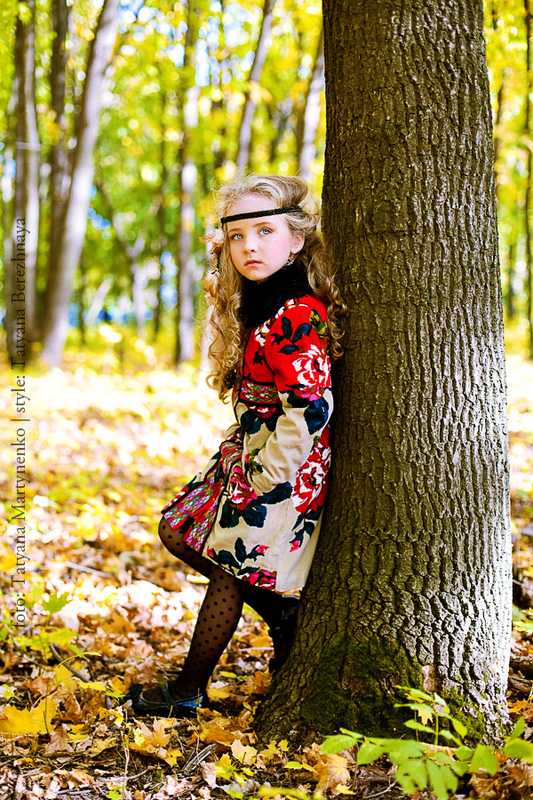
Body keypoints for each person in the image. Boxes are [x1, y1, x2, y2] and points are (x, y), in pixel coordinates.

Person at [128, 174, 346, 717]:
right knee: (178, 529)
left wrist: (268, 475)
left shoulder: (296, 313)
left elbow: (311, 408)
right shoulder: (262, 302)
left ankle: (186, 691)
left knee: (229, 568)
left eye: (265, 231)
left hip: (282, 469)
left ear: (296, 239)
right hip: (248, 453)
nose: (250, 246)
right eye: (238, 236)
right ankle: (282, 616)